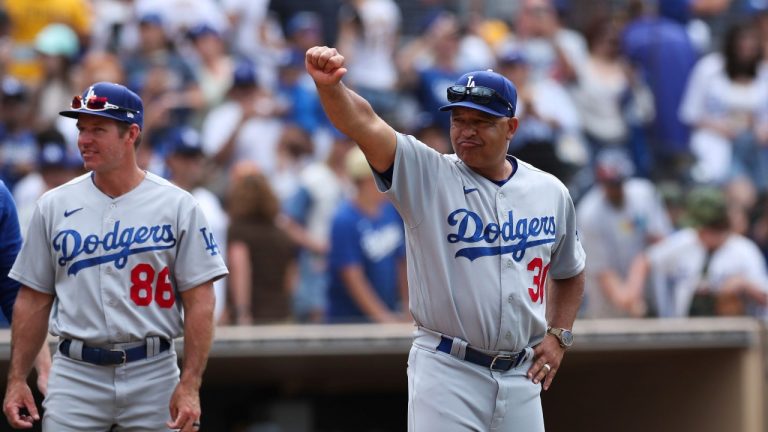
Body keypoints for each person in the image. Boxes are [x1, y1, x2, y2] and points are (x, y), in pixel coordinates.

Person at [306, 46, 585, 430]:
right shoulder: (428, 175)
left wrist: (558, 335)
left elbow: (570, 270)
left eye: (481, 121)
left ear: (511, 127)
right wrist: (331, 89)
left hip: (521, 375)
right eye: (458, 119)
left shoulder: (549, 191)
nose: (466, 131)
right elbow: (364, 123)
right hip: (448, 368)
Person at [2, 81, 229, 431]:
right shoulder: (52, 205)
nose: (84, 139)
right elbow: (32, 299)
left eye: (98, 129)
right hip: (75, 372)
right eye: (81, 129)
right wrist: (17, 377)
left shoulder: (178, 205)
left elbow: (201, 301)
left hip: (153, 369)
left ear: (131, 134)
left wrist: (191, 384)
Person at [624, 186, 768, 318]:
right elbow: (644, 260)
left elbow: (764, 297)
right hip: (685, 334)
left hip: (731, 336)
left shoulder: (744, 251)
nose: (698, 231)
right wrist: (633, 294)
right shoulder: (686, 240)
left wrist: (744, 284)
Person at [576, 149, 672, 318]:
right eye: (610, 184)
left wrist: (638, 277)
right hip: (608, 299)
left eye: (619, 183)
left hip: (648, 289)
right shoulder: (589, 213)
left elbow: (661, 240)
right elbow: (602, 271)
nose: (615, 188)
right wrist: (628, 297)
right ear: (601, 182)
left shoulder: (644, 193)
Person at [326, 147, 408, 323]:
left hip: (390, 312)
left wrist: (410, 308)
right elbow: (352, 277)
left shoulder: (390, 211)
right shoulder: (344, 219)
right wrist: (385, 321)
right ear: (366, 181)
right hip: (351, 323)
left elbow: (402, 262)